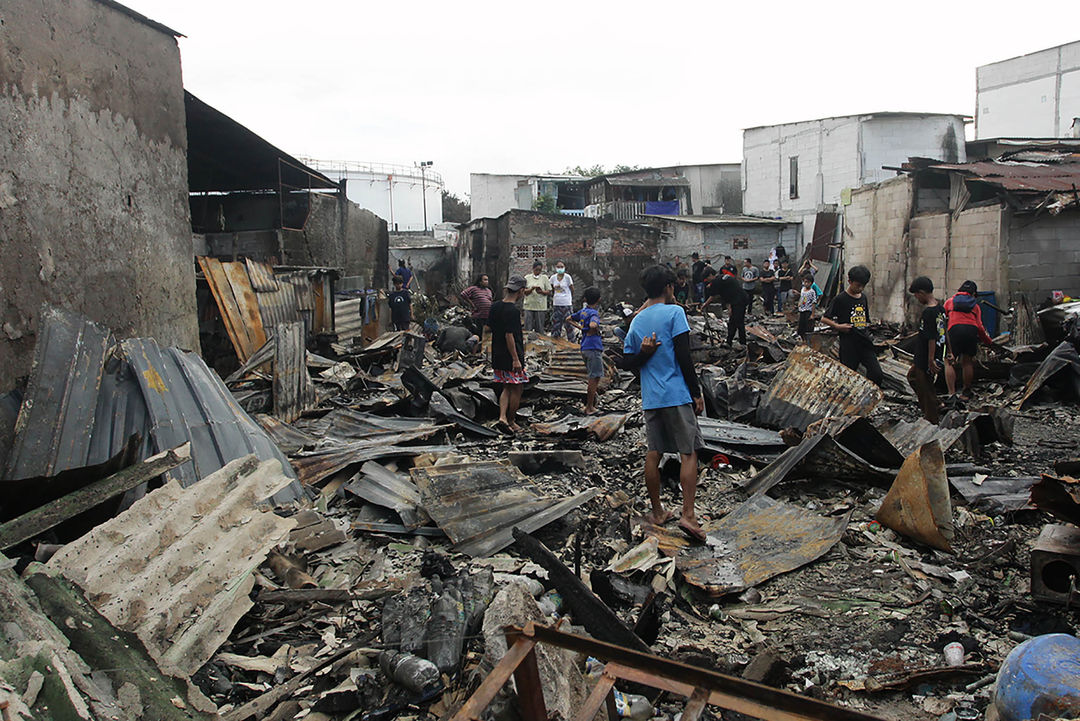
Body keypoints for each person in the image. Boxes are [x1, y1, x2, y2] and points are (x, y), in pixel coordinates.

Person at [622, 265, 706, 543]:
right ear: (670, 287)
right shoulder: (675, 313)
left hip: (652, 397)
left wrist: (645, 355)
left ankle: (658, 511)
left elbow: (628, 362)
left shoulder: (637, 321)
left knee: (654, 452)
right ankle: (688, 515)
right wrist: (696, 392)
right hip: (677, 393)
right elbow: (684, 356)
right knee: (688, 452)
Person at [821, 265, 883, 386]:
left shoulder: (863, 298)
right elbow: (824, 318)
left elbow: (865, 319)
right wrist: (838, 326)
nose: (861, 288)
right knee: (847, 377)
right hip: (849, 344)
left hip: (864, 342)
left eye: (863, 286)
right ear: (849, 281)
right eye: (858, 285)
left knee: (877, 374)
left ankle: (869, 396)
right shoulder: (840, 299)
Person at [943, 280, 994, 403]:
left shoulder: (949, 302)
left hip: (954, 330)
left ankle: (952, 393)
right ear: (973, 294)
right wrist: (988, 342)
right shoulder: (975, 306)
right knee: (967, 362)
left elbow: (942, 320)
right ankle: (966, 392)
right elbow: (980, 327)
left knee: (948, 362)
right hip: (971, 331)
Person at [488, 276, 528, 433]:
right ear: (521, 291)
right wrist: (516, 359)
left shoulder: (495, 306)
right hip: (511, 355)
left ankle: (502, 417)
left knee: (506, 386)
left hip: (498, 353)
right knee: (517, 388)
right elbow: (509, 335)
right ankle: (511, 421)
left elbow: (489, 328)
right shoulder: (512, 311)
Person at [907, 276, 946, 423]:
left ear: (922, 292)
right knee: (912, 377)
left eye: (917, 294)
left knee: (925, 386)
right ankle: (936, 404)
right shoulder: (940, 309)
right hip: (932, 354)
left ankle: (931, 418)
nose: (917, 298)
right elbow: (944, 331)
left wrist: (930, 359)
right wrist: (948, 352)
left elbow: (931, 337)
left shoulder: (929, 313)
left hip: (926, 356)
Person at [569, 287, 605, 414]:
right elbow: (593, 325)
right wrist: (592, 329)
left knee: (592, 376)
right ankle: (589, 407)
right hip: (593, 347)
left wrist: (580, 328)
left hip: (584, 346)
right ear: (599, 299)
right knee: (594, 378)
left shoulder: (583, 312)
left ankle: (590, 405)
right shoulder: (594, 313)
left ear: (585, 299)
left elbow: (569, 318)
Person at [701, 267, 748, 347]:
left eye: (707, 278)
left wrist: (704, 305)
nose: (707, 281)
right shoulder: (722, 277)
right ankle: (731, 341)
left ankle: (741, 343)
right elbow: (727, 295)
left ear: (710, 275)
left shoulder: (716, 282)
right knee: (734, 321)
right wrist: (729, 308)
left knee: (737, 322)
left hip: (739, 300)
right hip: (741, 298)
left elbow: (713, 296)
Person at [523, 260, 551, 333]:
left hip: (540, 306)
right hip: (529, 305)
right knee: (528, 327)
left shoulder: (544, 278)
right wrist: (531, 289)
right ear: (533, 269)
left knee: (540, 327)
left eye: (539, 270)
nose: (538, 271)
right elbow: (523, 291)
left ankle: (540, 342)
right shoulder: (527, 277)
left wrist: (541, 291)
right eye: (536, 270)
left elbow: (549, 291)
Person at [549, 262, 575, 339]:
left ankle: (572, 342)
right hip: (556, 304)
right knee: (556, 324)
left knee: (569, 325)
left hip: (566, 304)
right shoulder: (553, 278)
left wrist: (568, 298)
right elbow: (551, 289)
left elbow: (572, 289)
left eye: (562, 267)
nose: (560, 268)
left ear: (564, 267)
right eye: (558, 267)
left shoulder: (567, 277)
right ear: (555, 268)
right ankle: (555, 342)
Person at [796, 272, 817, 338]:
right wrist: (799, 303)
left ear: (811, 283)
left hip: (808, 310)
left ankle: (807, 338)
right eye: (805, 282)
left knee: (807, 326)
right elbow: (802, 298)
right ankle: (801, 337)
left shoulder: (812, 292)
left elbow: (813, 302)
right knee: (801, 325)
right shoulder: (803, 290)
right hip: (802, 310)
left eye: (807, 282)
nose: (806, 284)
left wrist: (813, 314)